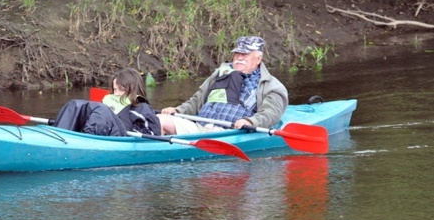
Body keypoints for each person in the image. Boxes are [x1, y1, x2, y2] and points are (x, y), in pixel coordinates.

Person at [158, 36, 288, 135]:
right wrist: (178, 111)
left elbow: (271, 114)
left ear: (258, 58)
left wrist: (250, 122)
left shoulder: (271, 86)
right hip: (199, 128)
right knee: (159, 119)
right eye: (237, 54)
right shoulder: (219, 74)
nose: (239, 58)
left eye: (245, 54)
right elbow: (197, 100)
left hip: (229, 133)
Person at [53, 68, 161, 136]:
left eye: (122, 90)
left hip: (121, 139)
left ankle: (86, 141)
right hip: (104, 132)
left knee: (102, 110)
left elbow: (153, 134)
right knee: (77, 104)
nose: (117, 94)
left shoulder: (142, 108)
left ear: (133, 89)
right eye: (114, 89)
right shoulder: (110, 103)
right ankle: (58, 134)